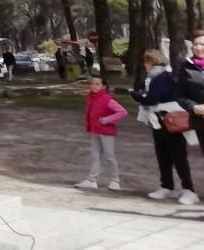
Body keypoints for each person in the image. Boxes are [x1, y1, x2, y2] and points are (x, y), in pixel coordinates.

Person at [133, 48, 198, 206]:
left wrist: (137, 96)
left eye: (146, 62)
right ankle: (166, 185)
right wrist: (141, 95)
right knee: (162, 154)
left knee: (178, 155)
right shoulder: (152, 77)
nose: (145, 65)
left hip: (169, 119)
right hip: (157, 120)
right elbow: (145, 93)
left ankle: (189, 189)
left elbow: (152, 98)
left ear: (151, 61)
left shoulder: (163, 76)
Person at [75, 73, 127, 191]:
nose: (94, 86)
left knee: (109, 156)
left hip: (106, 131)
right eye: (92, 84)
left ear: (103, 86)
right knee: (95, 155)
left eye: (97, 84)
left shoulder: (107, 99)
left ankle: (115, 180)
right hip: (95, 130)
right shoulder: (90, 97)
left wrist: (107, 120)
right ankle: (91, 180)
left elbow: (122, 112)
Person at [176, 30, 204, 156]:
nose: (198, 48)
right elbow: (180, 95)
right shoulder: (186, 67)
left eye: (202, 44)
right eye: (195, 44)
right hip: (201, 120)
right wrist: (193, 106)